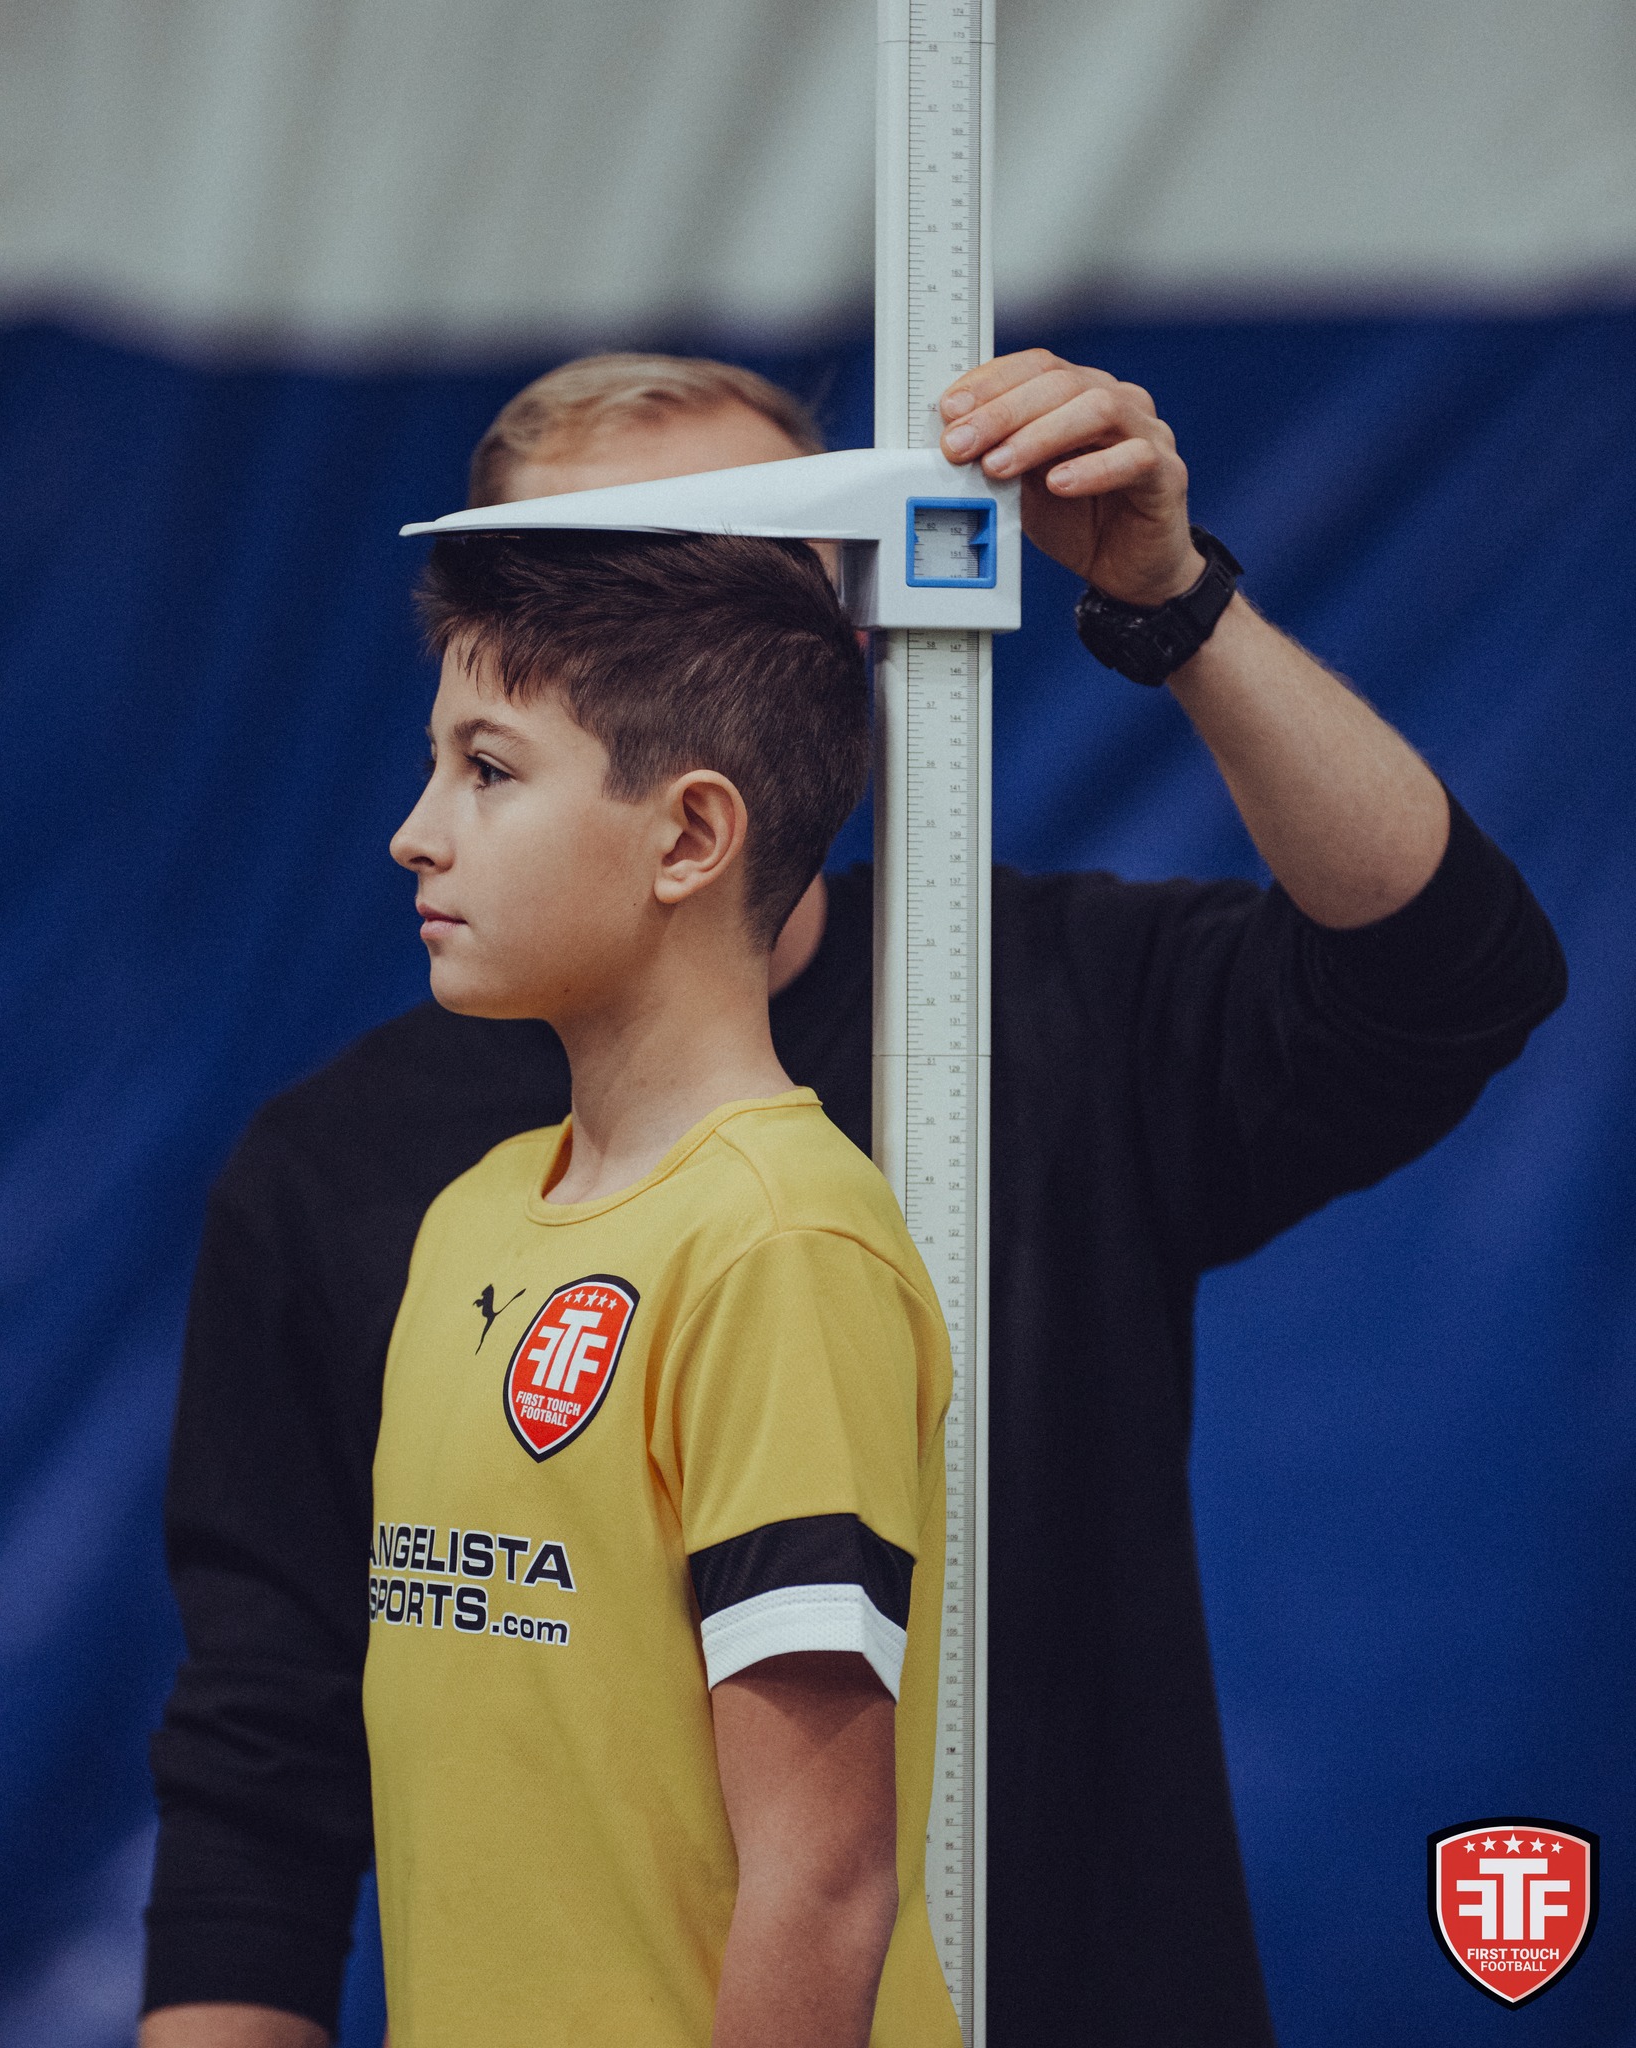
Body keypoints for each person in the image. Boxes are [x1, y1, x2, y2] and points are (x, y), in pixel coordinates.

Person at [142, 350, 1567, 2046]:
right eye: (583, 588)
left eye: (740, 572)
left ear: (833, 639)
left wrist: (1173, 604)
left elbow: (1452, 979)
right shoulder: (380, 1181)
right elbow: (264, 1741)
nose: (663, 628)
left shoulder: (1009, 1032)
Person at [368, 523, 956, 2047]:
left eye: (486, 770)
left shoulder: (780, 1244)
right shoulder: (470, 1219)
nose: (416, 833)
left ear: (690, 837)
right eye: (434, 765)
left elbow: (822, 1879)